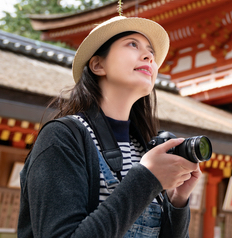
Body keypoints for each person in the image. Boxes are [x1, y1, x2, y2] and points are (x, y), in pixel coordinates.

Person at [18, 16, 202, 237]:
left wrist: (176, 201)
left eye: (151, 52)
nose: (149, 57)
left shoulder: (146, 149)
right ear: (98, 65)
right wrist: (147, 178)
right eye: (132, 44)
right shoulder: (62, 136)